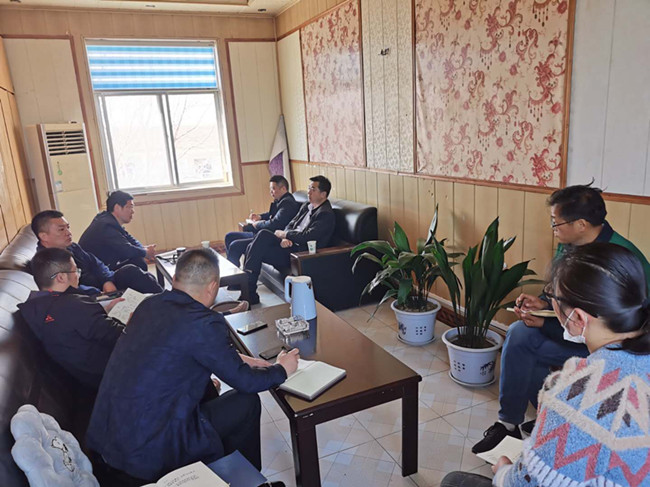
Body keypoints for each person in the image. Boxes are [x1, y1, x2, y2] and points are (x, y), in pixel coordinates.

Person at [443, 243, 650, 486]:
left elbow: (525, 482)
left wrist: (503, 471)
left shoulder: (575, 395)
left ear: (578, 318)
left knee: (453, 481)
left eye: (553, 299)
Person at [86, 248, 300, 482]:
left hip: (107, 441)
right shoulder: (204, 322)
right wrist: (282, 369)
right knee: (245, 402)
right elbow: (246, 382)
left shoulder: (149, 305)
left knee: (206, 387)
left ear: (175, 278)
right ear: (213, 286)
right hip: (149, 451)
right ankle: (246, 480)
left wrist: (246, 359)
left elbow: (181, 347)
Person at [473, 184, 650, 454]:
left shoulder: (620, 257)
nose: (553, 229)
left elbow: (614, 329)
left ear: (581, 224)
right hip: (578, 331)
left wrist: (546, 323)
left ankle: (554, 419)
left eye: (556, 222)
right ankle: (509, 423)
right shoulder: (568, 246)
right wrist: (543, 304)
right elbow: (563, 296)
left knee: (529, 343)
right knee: (520, 334)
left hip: (614, 347)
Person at [18, 248, 126, 390]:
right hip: (115, 374)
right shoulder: (73, 305)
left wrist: (100, 311)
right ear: (61, 277)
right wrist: (134, 320)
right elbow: (121, 336)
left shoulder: (36, 307)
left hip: (87, 379)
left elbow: (72, 322)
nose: (78, 276)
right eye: (75, 271)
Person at [243, 175, 335, 305]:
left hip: (300, 253)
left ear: (323, 194)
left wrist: (286, 235)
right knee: (254, 246)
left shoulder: (325, 214)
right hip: (288, 244)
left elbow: (307, 236)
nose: (309, 192)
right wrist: (283, 238)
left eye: (313, 189)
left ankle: (249, 291)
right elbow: (291, 224)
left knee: (262, 236)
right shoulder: (306, 206)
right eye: (309, 188)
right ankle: (249, 291)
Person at [31, 210, 163, 295]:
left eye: (68, 227)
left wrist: (107, 281)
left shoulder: (72, 247)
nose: (68, 233)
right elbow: (67, 290)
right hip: (91, 295)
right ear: (44, 236)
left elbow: (95, 262)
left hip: (102, 284)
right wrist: (98, 292)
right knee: (133, 273)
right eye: (61, 229)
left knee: (134, 269)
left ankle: (162, 299)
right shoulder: (46, 262)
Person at [225, 175, 300, 267]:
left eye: (273, 188)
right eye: (270, 189)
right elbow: (271, 214)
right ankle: (234, 270)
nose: (271, 191)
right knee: (229, 236)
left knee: (235, 245)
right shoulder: (280, 200)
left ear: (283, 188)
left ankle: (236, 274)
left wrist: (258, 224)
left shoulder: (287, 203)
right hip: (261, 233)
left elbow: (275, 223)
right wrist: (259, 216)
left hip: (269, 237)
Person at [80, 191, 156, 271]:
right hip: (96, 273)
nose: (133, 211)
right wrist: (145, 252)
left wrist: (144, 249)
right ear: (117, 208)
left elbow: (129, 239)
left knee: (137, 258)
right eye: (129, 207)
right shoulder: (106, 226)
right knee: (138, 262)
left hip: (104, 266)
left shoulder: (108, 219)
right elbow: (126, 249)